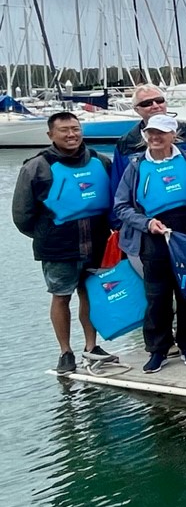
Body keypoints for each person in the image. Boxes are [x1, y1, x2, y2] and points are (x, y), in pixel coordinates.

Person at [12, 111, 116, 374]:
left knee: (90, 293)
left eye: (76, 129)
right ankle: (65, 352)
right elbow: (22, 215)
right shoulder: (36, 167)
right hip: (57, 246)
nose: (71, 135)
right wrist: (47, 235)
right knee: (61, 296)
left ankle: (91, 347)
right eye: (64, 130)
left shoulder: (101, 161)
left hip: (97, 242)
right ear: (51, 135)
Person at [112, 113, 186, 374]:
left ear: (172, 135)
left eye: (161, 133)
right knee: (157, 296)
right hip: (153, 233)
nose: (155, 137)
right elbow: (121, 206)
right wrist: (146, 223)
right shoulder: (135, 165)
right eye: (150, 132)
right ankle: (158, 349)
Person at [108, 83, 186, 205]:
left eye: (159, 100)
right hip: (147, 218)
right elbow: (118, 187)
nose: (155, 106)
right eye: (147, 103)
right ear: (137, 110)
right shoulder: (126, 143)